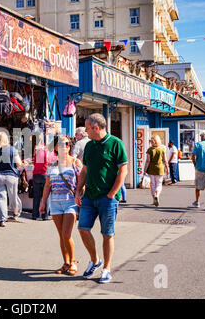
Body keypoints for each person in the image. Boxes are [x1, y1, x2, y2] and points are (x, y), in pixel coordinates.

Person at [75, 113, 128, 284]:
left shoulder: (116, 143)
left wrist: (112, 194)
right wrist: (78, 190)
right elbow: (84, 170)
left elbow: (123, 171)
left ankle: (106, 268)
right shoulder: (89, 146)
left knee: (107, 234)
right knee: (83, 228)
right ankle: (95, 260)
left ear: (96, 127)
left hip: (108, 198)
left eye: (88, 128)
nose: (86, 131)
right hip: (90, 196)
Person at [39, 135, 83, 276]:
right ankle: (66, 262)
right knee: (61, 235)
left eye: (67, 144)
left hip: (70, 202)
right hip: (55, 203)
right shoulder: (52, 165)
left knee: (66, 234)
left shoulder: (75, 163)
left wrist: (79, 195)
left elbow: (82, 183)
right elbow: (47, 185)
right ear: (56, 147)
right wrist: (42, 202)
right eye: (61, 144)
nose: (65, 146)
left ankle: (73, 262)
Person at [0, 131, 23, 227]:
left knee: (1, 198)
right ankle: (15, 213)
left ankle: (2, 220)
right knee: (13, 196)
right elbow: (18, 163)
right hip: (11, 176)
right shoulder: (12, 149)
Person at [32, 141, 57, 220]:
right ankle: (45, 215)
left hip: (36, 174)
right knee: (46, 196)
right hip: (46, 174)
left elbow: (34, 162)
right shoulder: (51, 153)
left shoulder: (38, 152)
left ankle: (35, 215)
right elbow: (55, 164)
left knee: (36, 196)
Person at [143, 135, 169, 207]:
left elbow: (148, 161)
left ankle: (154, 199)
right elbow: (165, 160)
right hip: (160, 169)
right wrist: (167, 168)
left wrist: (144, 170)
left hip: (151, 169)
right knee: (159, 184)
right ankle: (157, 195)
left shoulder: (150, 150)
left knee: (152, 184)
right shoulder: (162, 149)